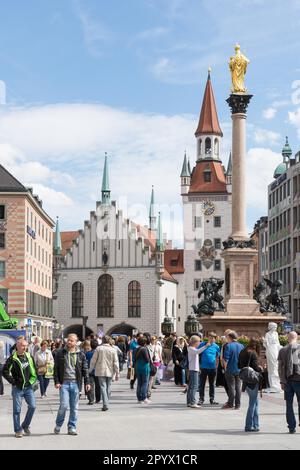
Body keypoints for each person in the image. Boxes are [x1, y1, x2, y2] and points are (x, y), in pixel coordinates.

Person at [53, 333, 90, 435]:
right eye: (68, 340)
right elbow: (55, 369)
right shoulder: (60, 353)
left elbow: (85, 369)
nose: (69, 342)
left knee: (74, 407)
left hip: (75, 383)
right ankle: (58, 424)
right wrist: (57, 382)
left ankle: (72, 427)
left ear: (76, 342)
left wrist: (87, 382)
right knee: (64, 405)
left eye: (72, 340)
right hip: (64, 383)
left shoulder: (81, 354)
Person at [3, 338, 37, 438]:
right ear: (17, 346)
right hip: (17, 388)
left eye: (26, 346)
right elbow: (5, 372)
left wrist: (32, 380)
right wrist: (13, 382)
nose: (25, 347)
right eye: (23, 345)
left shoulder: (29, 356)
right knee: (17, 410)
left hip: (28, 387)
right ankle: (18, 430)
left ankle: (25, 425)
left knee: (33, 406)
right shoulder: (12, 359)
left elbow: (33, 370)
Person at [238, 338, 263, 432]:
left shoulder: (243, 351)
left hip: (245, 379)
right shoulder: (253, 353)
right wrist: (260, 368)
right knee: (252, 403)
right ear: (256, 345)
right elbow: (256, 367)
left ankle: (256, 425)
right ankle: (248, 426)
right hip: (253, 380)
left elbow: (238, 365)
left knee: (255, 402)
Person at [89, 335, 119, 411]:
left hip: (100, 370)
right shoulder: (113, 349)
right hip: (110, 370)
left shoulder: (99, 349)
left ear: (102, 340)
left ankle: (105, 404)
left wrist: (90, 369)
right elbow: (116, 362)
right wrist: (117, 372)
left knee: (103, 386)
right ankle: (106, 402)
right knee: (108, 387)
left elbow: (93, 360)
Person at [278, 331, 300, 434]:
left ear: (288, 338)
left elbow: (280, 368)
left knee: (289, 405)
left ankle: (291, 427)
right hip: (298, 379)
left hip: (287, 381)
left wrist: (282, 381)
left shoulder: (282, 350)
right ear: (297, 337)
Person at [222, 331, 244, 410]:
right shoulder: (241, 346)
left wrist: (225, 368)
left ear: (230, 338)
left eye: (227, 337)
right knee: (238, 387)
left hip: (230, 369)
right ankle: (237, 404)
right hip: (239, 369)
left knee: (231, 387)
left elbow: (226, 359)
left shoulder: (228, 346)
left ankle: (230, 403)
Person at [187, 335, 209, 408]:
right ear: (195, 342)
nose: (199, 343)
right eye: (199, 341)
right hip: (193, 369)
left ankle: (189, 402)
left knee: (191, 386)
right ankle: (192, 402)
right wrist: (206, 346)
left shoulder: (191, 348)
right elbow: (198, 351)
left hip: (194, 369)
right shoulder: (191, 348)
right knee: (194, 386)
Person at [198, 332, 220, 406]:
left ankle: (212, 399)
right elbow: (197, 353)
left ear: (215, 339)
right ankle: (201, 399)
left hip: (212, 368)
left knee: (212, 384)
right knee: (202, 384)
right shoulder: (203, 344)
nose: (211, 339)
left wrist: (217, 365)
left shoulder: (216, 346)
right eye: (210, 338)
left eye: (212, 338)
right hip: (203, 367)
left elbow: (218, 356)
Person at [263, 322, 282, 393]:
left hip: (275, 350)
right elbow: (265, 344)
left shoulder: (276, 334)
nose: (275, 328)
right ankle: (273, 386)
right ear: (271, 327)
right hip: (270, 350)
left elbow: (278, 343)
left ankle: (277, 385)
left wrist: (280, 348)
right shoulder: (267, 334)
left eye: (276, 327)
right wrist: (266, 342)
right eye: (274, 327)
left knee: (276, 367)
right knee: (272, 368)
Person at [135, 336, 151, 404]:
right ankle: (144, 397)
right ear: (144, 342)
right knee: (145, 382)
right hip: (144, 367)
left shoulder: (137, 348)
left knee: (139, 383)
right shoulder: (144, 349)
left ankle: (139, 398)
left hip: (138, 366)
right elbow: (147, 360)